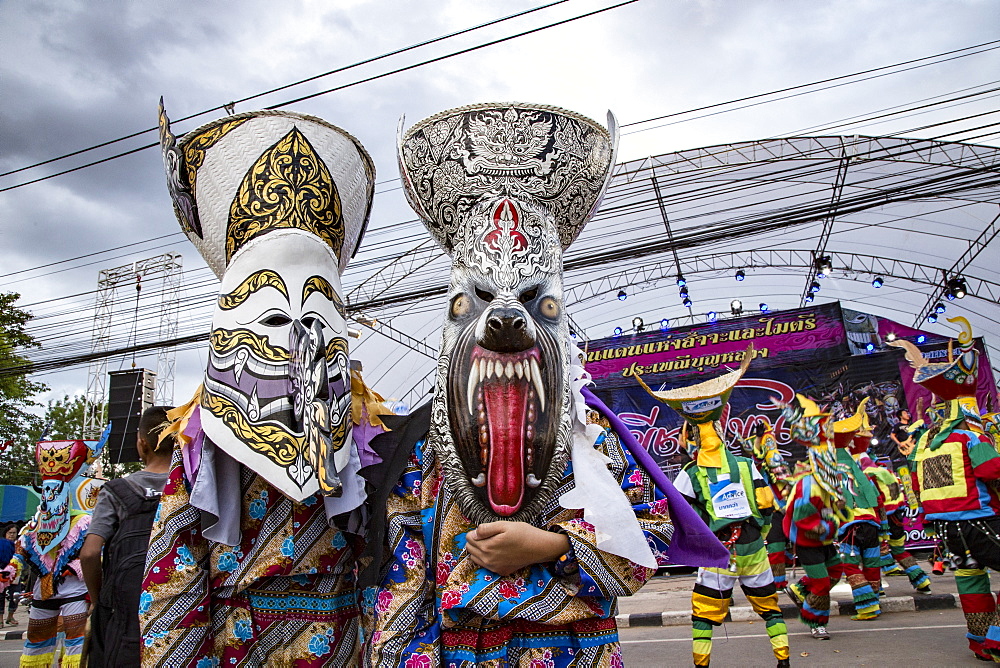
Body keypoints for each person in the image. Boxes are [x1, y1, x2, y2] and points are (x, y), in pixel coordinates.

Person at [363, 102, 724, 667]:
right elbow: (404, 582)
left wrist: (553, 546)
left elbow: (648, 537)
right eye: (477, 301)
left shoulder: (591, 435)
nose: (505, 321)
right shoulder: (424, 446)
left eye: (540, 303)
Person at [140, 105, 383, 666]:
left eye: (318, 318)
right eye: (272, 318)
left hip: (340, 636)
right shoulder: (198, 439)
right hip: (239, 638)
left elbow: (389, 556)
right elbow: (176, 576)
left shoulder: (368, 430)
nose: (298, 338)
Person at [641, 349, 790, 668]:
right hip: (752, 546)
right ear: (720, 431)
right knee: (770, 608)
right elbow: (766, 504)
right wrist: (760, 533)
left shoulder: (689, 474)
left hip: (717, 550)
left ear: (692, 436)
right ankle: (784, 662)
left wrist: (695, 545)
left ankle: (702, 665)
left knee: (703, 616)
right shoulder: (747, 465)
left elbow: (677, 516)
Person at [891, 318, 1000, 662]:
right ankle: (996, 638)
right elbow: (991, 470)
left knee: (970, 579)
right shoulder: (970, 436)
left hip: (947, 528)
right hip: (980, 519)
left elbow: (917, 484)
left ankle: (980, 641)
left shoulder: (927, 443)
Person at [81, 406, 173, 667]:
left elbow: (89, 553)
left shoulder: (116, 491)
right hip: (179, 611)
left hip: (124, 612)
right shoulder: (193, 489)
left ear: (142, 444)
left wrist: (98, 601)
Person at [12, 431, 107, 668]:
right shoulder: (36, 522)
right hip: (42, 593)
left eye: (55, 492)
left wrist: (75, 568)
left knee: (75, 644)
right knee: (36, 641)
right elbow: (22, 550)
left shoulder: (83, 522)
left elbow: (98, 553)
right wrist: (11, 569)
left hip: (74, 592)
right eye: (46, 492)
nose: (50, 498)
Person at [783, 395, 849, 640]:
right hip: (808, 540)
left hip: (825, 539)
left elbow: (837, 509)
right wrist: (828, 522)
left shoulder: (832, 480)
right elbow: (804, 518)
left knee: (835, 573)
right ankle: (815, 621)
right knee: (821, 584)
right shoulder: (808, 486)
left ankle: (800, 588)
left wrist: (838, 511)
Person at [831, 399, 884, 621]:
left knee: (850, 565)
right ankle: (875, 598)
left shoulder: (832, 471)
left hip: (850, 527)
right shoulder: (859, 469)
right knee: (871, 562)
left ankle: (867, 606)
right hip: (871, 523)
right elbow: (875, 497)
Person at [0, 524, 20, 628]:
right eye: (10, 533)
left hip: (15, 575)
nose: (12, 535)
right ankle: (0, 619)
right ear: (5, 533)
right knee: (0, 596)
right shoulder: (1, 544)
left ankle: (10, 616)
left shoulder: (19, 545)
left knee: (15, 596)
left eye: (14, 533)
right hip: (1, 573)